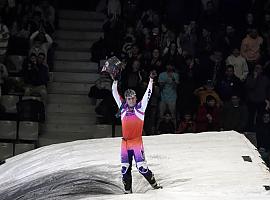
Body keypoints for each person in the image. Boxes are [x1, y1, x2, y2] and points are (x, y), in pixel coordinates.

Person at [112, 70, 162, 193]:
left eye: (133, 98)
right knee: (125, 169)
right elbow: (114, 93)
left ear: (135, 98)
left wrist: (151, 80)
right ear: (126, 99)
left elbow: (148, 95)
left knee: (142, 168)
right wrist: (115, 81)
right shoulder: (122, 107)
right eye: (129, 99)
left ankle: (155, 185)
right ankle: (128, 192)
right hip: (125, 143)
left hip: (136, 142)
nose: (132, 101)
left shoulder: (140, 107)